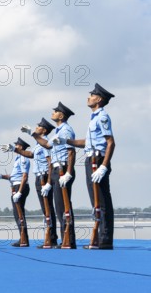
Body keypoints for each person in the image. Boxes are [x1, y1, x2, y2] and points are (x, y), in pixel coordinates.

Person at [62, 84, 115, 250]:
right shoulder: (93, 118)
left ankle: (105, 239)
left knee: (102, 199)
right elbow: (87, 143)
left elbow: (110, 142)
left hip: (98, 160)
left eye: (91, 95)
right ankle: (99, 237)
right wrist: (66, 141)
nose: (88, 97)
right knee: (95, 200)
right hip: (90, 158)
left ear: (98, 99)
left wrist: (104, 166)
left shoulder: (102, 117)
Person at [26, 101, 76, 249]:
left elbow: (71, 152)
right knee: (58, 206)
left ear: (61, 115)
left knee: (63, 206)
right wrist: (32, 133)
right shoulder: (58, 132)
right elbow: (47, 145)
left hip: (62, 168)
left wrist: (68, 173)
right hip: (55, 169)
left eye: (55, 111)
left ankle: (69, 240)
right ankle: (63, 239)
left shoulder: (66, 130)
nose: (52, 113)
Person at [13, 118, 58, 248]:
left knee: (48, 208)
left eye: (39, 126)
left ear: (43, 130)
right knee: (45, 209)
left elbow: (50, 163)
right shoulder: (38, 144)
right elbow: (30, 154)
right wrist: (14, 149)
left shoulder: (45, 143)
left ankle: (52, 238)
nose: (36, 126)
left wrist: (49, 183)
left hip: (44, 176)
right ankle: (51, 237)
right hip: (39, 177)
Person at [0, 137, 31, 247]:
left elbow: (24, 176)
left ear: (20, 147)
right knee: (17, 213)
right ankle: (23, 238)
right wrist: (1, 176)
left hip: (20, 186)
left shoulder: (23, 158)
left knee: (19, 213)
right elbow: (14, 176)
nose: (15, 146)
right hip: (16, 185)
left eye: (17, 145)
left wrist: (19, 191)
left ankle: (24, 239)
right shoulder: (18, 158)